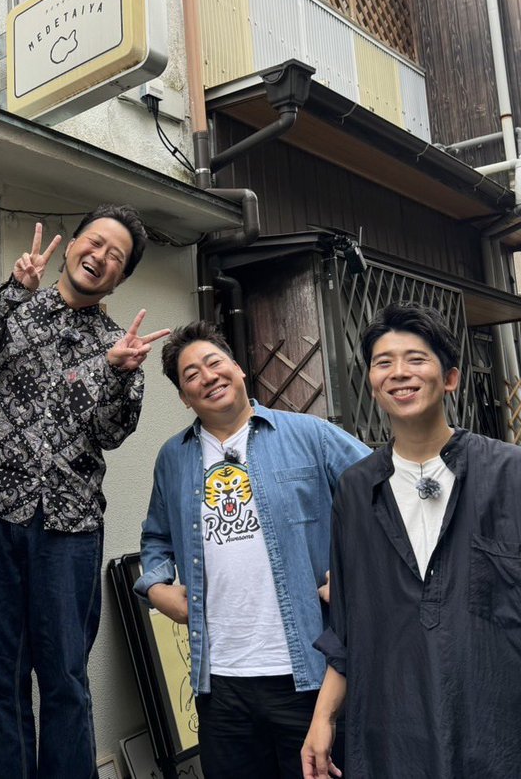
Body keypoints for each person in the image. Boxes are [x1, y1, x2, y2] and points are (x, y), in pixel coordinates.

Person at [302, 302, 521, 779]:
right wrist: (323, 717)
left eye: (416, 359)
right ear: (371, 383)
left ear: (450, 378)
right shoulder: (356, 490)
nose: (399, 372)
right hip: (397, 733)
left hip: (511, 732)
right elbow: (348, 625)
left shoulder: (513, 474)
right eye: (383, 362)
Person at [0, 205, 167, 779]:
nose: (100, 257)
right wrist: (12, 291)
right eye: (95, 242)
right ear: (73, 244)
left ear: (120, 278)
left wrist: (115, 373)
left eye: (116, 256)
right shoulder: (16, 308)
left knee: (64, 677)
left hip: (70, 527)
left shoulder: (120, 345)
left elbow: (110, 434)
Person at [136, 321, 370, 779]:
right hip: (219, 684)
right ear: (184, 397)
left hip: (310, 673)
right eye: (191, 375)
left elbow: (385, 493)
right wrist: (156, 587)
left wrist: (355, 570)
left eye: (214, 362)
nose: (207, 376)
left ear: (238, 368)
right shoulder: (173, 458)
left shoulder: (310, 435)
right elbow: (156, 537)